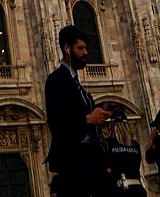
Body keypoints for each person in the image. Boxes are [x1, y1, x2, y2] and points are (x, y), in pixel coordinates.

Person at [46, 24, 113, 197]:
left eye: (86, 48)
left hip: (92, 158)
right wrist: (88, 119)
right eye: (80, 48)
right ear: (67, 49)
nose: (85, 53)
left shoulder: (76, 84)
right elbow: (56, 123)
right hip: (74, 162)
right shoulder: (56, 80)